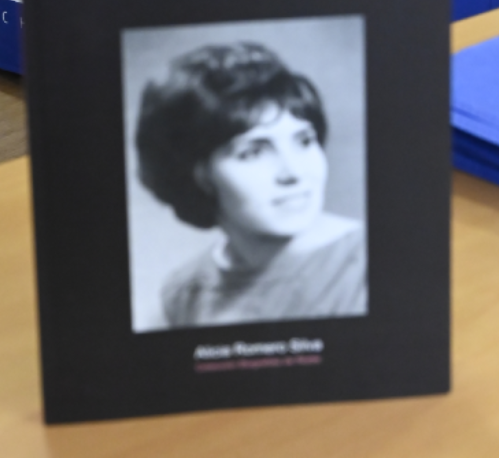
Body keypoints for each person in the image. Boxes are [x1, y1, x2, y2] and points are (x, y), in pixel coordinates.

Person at [135, 42, 367, 328]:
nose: (293, 173)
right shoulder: (185, 293)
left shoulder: (369, 264)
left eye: (304, 141)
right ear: (200, 174)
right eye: (253, 152)